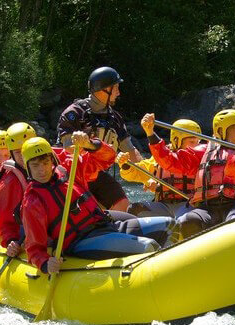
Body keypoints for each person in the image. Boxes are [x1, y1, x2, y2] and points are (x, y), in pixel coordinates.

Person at [20, 137, 173, 274]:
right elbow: (34, 248)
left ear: (52, 160)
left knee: (169, 225)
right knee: (148, 246)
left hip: (106, 226)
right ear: (28, 167)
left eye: (46, 163)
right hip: (80, 241)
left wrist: (89, 144)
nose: (42, 170)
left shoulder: (70, 171)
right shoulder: (32, 201)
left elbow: (107, 158)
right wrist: (45, 264)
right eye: (35, 165)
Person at [141, 109, 235, 239]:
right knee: (187, 222)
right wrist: (150, 134)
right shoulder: (203, 152)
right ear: (222, 132)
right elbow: (169, 161)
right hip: (207, 207)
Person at [56, 66, 143, 212]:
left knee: (122, 204)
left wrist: (148, 173)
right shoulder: (74, 113)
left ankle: (115, 230)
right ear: (104, 89)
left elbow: (130, 150)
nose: (118, 92)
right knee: (89, 208)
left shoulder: (114, 118)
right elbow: (67, 148)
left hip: (97, 173)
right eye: (115, 88)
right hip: (72, 173)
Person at [117, 119, 202, 218]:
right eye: (192, 141)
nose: (196, 145)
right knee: (134, 209)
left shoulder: (199, 157)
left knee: (188, 218)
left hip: (188, 205)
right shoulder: (161, 157)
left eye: (198, 141)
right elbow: (136, 173)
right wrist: (125, 164)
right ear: (176, 140)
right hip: (163, 205)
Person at [0, 122, 36, 257]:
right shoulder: (10, 181)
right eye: (18, 152)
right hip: (27, 230)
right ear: (11, 154)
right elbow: (5, 220)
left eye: (27, 149)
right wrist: (11, 241)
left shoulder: (47, 163)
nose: (24, 155)